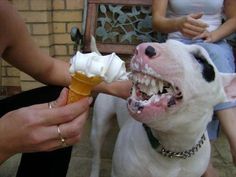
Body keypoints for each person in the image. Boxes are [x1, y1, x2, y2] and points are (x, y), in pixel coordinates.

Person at [0, 0, 131, 176]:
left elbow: (48, 68)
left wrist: (114, 86)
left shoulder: (3, 16)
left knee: (56, 98)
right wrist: (4, 141)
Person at [152, 0, 236, 176]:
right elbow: (157, 20)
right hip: (178, 46)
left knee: (212, 58)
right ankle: (230, 142)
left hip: (214, 42)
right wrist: (178, 24)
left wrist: (214, 36)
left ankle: (208, 162)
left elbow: (234, 18)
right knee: (206, 66)